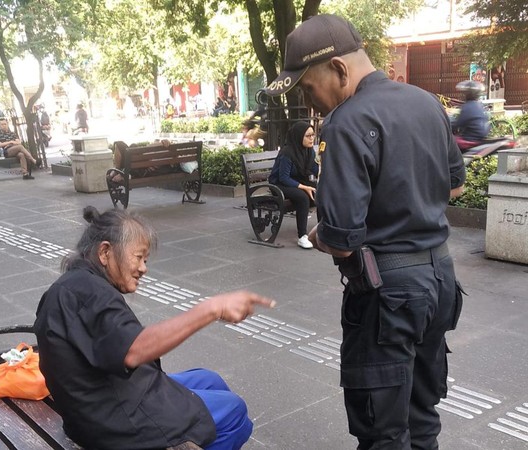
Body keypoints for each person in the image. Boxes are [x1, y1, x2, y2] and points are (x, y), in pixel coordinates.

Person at [265, 14, 466, 449]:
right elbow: (455, 184)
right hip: (440, 280)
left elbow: (340, 238)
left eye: (307, 86)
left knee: (382, 431)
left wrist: (320, 234)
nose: (310, 99)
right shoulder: (427, 102)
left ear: (338, 69)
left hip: (387, 296)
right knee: (423, 415)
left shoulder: (346, 122)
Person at [34, 206, 275, 450]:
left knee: (209, 380)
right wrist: (211, 308)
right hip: (110, 420)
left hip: (97, 400)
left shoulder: (74, 285)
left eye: (145, 260)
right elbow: (134, 349)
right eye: (138, 257)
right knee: (234, 411)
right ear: (105, 252)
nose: (143, 268)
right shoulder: (89, 292)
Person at [268, 121, 318, 249]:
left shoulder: (309, 151)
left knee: (321, 190)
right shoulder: (287, 152)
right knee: (302, 197)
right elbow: (283, 178)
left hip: (296, 182)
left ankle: (322, 229)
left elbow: (313, 168)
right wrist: (304, 187)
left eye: (313, 135)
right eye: (308, 136)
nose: (312, 138)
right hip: (279, 185)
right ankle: (302, 236)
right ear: (298, 136)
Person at [451, 80, 491, 151]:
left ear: (468, 94)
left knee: (450, 142)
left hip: (470, 139)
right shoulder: (479, 105)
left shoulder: (467, 107)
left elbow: (458, 124)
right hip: (480, 139)